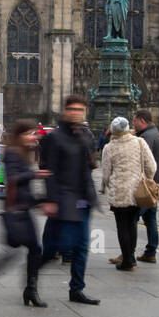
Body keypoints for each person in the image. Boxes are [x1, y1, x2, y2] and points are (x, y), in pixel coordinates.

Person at [0, 120, 55, 307]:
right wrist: (35, 175)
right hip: (16, 213)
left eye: (34, 134)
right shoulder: (13, 153)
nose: (34, 137)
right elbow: (14, 179)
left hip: (22, 210)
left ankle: (29, 289)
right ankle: (24, 289)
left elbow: (23, 187)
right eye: (30, 133)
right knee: (21, 253)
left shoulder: (22, 154)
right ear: (20, 136)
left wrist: (39, 202)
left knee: (28, 251)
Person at [40, 95, 101, 304]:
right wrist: (50, 200)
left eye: (80, 110)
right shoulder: (54, 138)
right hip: (61, 202)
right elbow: (47, 170)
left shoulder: (85, 135)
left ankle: (76, 289)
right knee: (51, 251)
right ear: (65, 111)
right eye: (72, 109)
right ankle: (30, 281)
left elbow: (88, 166)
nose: (76, 112)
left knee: (81, 248)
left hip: (83, 201)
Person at [101, 116, 157, 271]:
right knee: (132, 224)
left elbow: (105, 174)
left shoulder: (109, 147)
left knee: (122, 226)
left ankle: (127, 260)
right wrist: (147, 179)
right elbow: (151, 166)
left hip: (119, 192)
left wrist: (108, 185)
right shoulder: (139, 142)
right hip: (137, 191)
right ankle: (131, 258)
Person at [133, 110, 159, 263]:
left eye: (135, 121)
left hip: (146, 186)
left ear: (142, 121)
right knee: (150, 219)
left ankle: (127, 252)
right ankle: (151, 251)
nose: (133, 124)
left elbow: (140, 161)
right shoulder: (155, 134)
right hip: (155, 185)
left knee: (131, 218)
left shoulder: (146, 137)